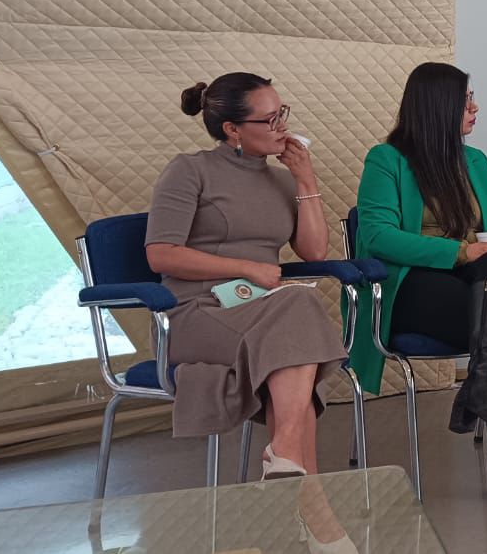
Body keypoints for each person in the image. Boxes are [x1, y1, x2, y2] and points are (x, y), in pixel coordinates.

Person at [352, 62, 487, 503]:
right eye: (466, 99)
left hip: (476, 283)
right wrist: (459, 251)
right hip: (411, 285)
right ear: (438, 105)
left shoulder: (476, 161)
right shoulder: (386, 160)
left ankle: (480, 387)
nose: (475, 107)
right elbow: (376, 236)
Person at [145, 72, 346, 478]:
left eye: (282, 114)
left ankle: (288, 465)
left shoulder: (282, 179)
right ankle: (311, 504)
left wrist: (306, 180)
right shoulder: (189, 170)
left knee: (292, 343)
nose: (282, 127)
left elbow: (313, 251)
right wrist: (246, 267)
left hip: (260, 309)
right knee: (298, 317)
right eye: (269, 119)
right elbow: (161, 255)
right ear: (232, 129)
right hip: (197, 310)